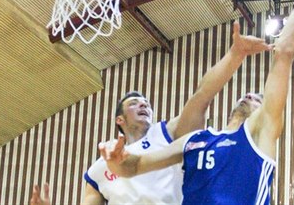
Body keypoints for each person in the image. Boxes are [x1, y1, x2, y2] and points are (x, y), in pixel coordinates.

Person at [99, 0, 294, 205]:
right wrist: (116, 163)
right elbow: (135, 167)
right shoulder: (196, 140)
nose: (249, 95)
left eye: (258, 99)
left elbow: (283, 52)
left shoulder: (258, 133)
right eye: (248, 94)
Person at [31, 18, 274, 204]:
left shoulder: (168, 134)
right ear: (119, 119)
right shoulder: (99, 167)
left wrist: (234, 56)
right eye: (134, 102)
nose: (144, 104)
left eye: (146, 102)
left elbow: (202, 97)